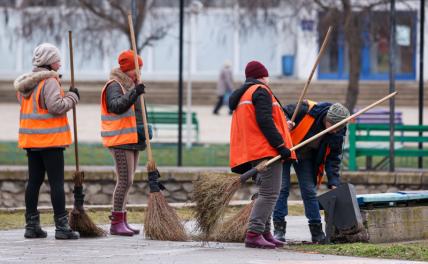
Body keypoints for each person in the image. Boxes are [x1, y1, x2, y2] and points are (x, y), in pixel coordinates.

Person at [14, 43, 80, 240]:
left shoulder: (26, 83)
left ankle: (31, 225)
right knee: (56, 183)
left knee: (34, 182)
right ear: (50, 62)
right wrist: (72, 97)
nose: (60, 63)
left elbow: (32, 106)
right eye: (58, 59)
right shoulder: (49, 81)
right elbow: (55, 106)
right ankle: (62, 227)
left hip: (31, 141)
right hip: (50, 141)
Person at [229, 60, 296, 249]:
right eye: (267, 76)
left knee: (266, 192)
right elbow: (264, 121)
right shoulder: (261, 91)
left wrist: (284, 125)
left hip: (253, 151)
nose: (268, 80)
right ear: (262, 76)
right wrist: (281, 145)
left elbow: (262, 120)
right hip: (266, 150)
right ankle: (254, 233)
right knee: (269, 193)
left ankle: (265, 232)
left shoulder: (245, 93)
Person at [272, 100, 349, 244]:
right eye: (333, 126)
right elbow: (280, 112)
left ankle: (317, 232)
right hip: (285, 150)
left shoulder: (339, 130)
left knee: (309, 191)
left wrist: (333, 180)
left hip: (306, 157)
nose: (336, 131)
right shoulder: (306, 109)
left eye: (339, 128)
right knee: (282, 189)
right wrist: (287, 121)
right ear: (327, 119)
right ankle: (279, 230)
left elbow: (333, 157)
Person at [100, 50, 151, 236]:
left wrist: (145, 129)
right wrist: (134, 92)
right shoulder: (115, 85)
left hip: (132, 138)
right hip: (120, 139)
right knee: (124, 180)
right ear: (127, 69)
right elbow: (116, 106)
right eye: (136, 69)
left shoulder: (132, 84)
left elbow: (137, 113)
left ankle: (123, 218)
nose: (139, 72)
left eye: (141, 69)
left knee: (128, 181)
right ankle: (116, 222)